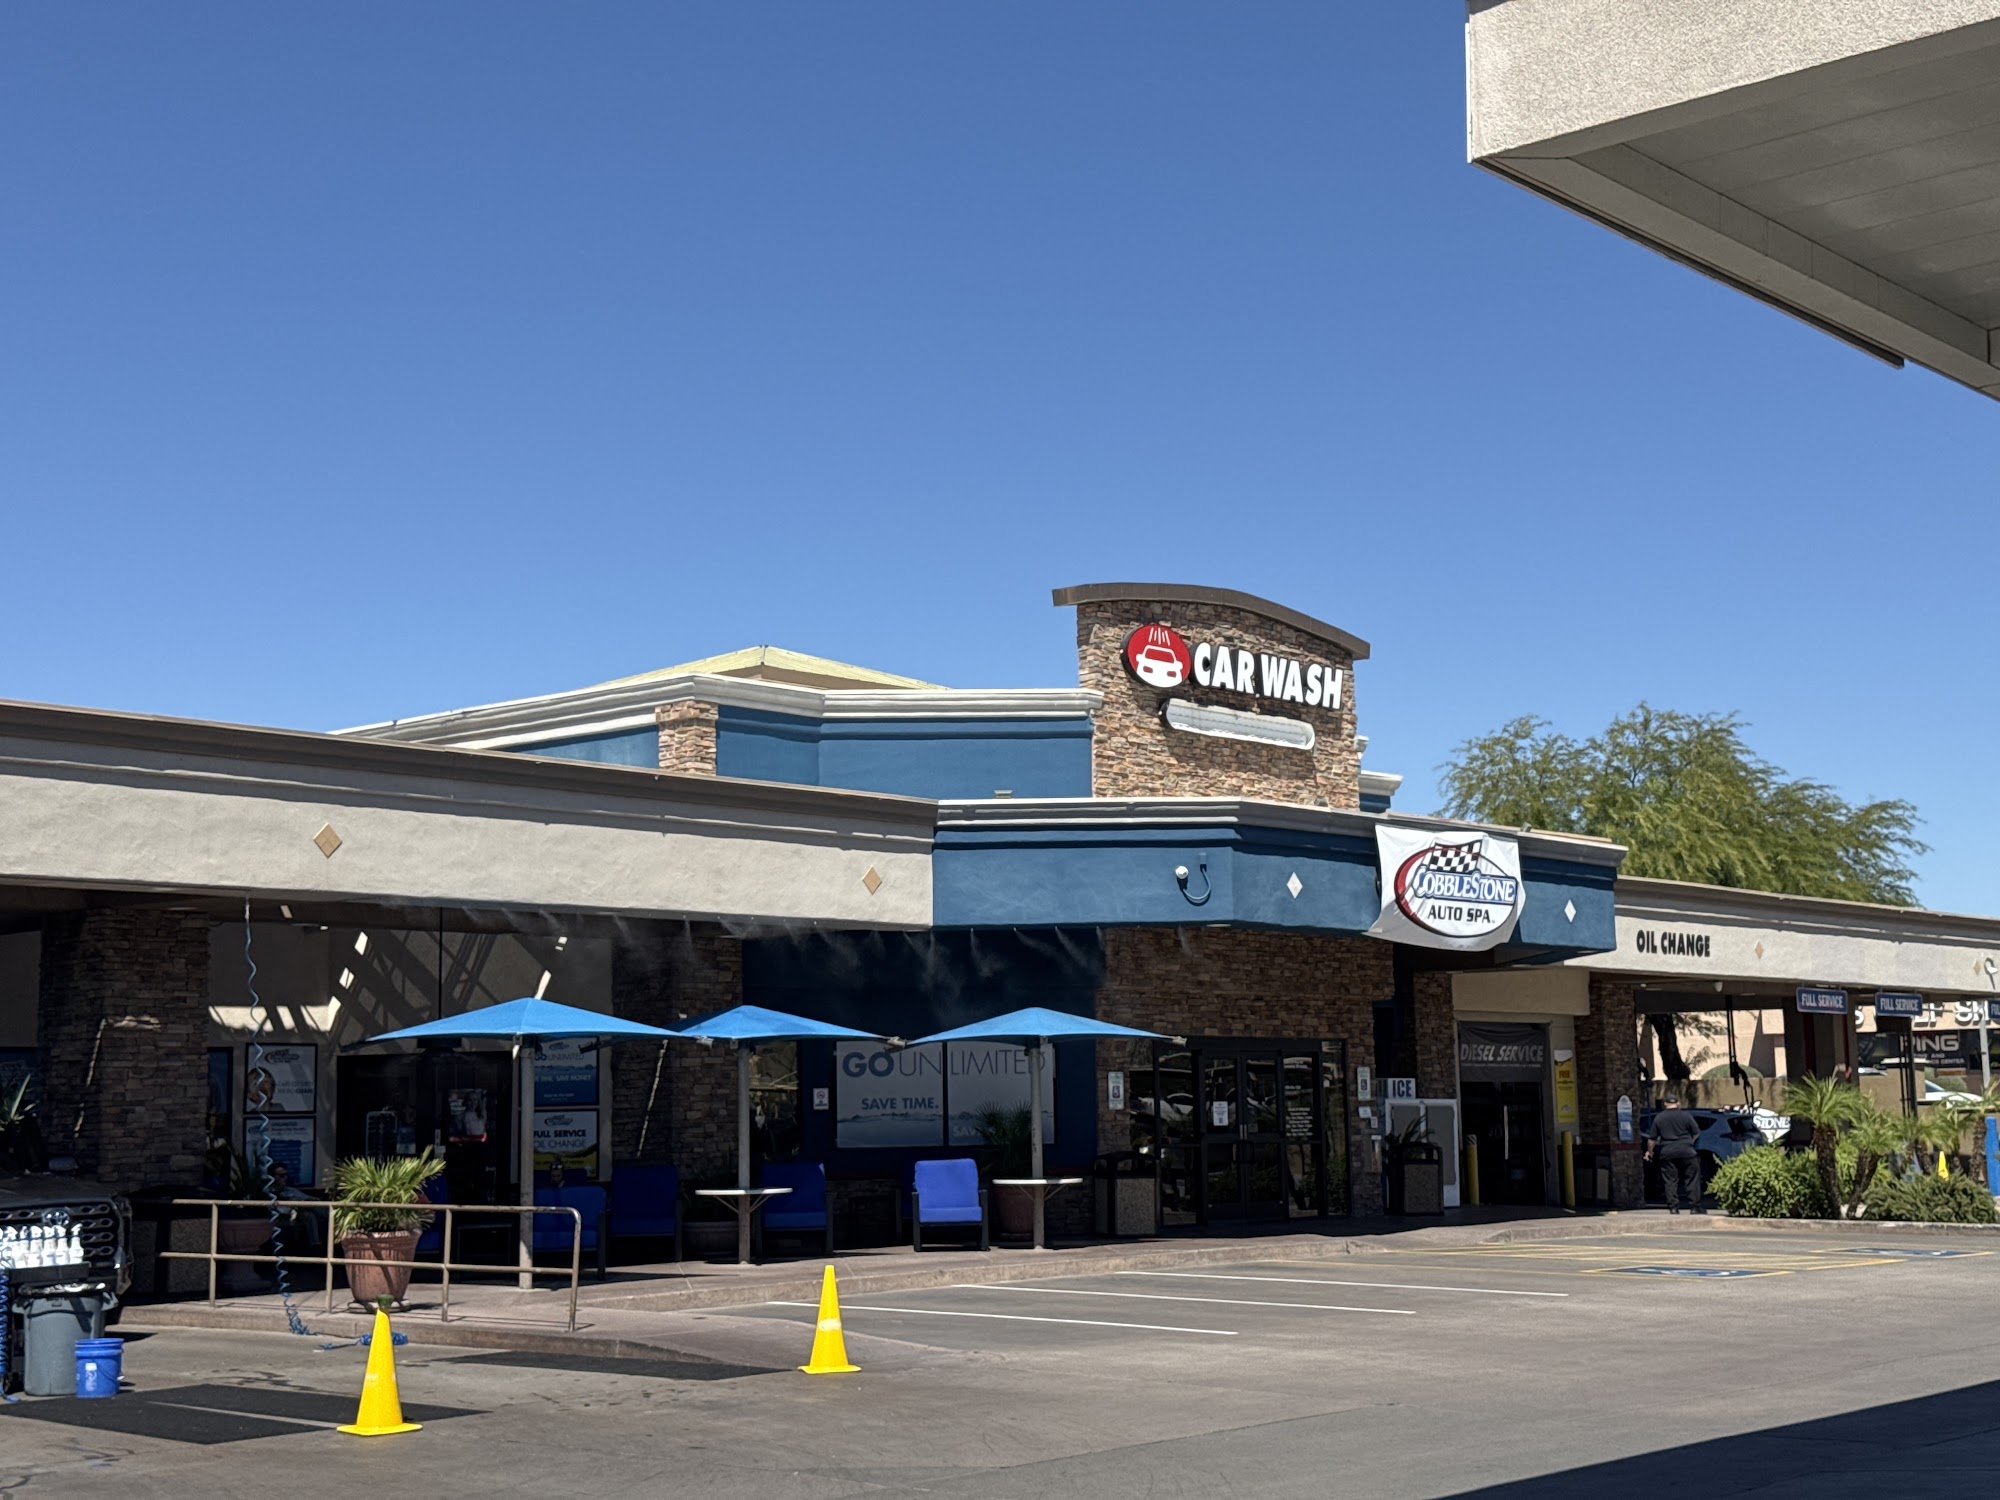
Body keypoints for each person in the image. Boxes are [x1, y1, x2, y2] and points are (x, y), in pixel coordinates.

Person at [1646, 1093, 1703, 1213]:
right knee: (1692, 1178)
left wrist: (1650, 1152)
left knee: (1670, 1180)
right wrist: (1689, 1142)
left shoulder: (1659, 1118)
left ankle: (1673, 1207)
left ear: (1665, 1104)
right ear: (1678, 1103)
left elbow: (1652, 1140)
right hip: (1686, 1151)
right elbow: (1696, 1132)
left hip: (1667, 1152)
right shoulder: (1686, 1115)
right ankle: (1694, 1207)